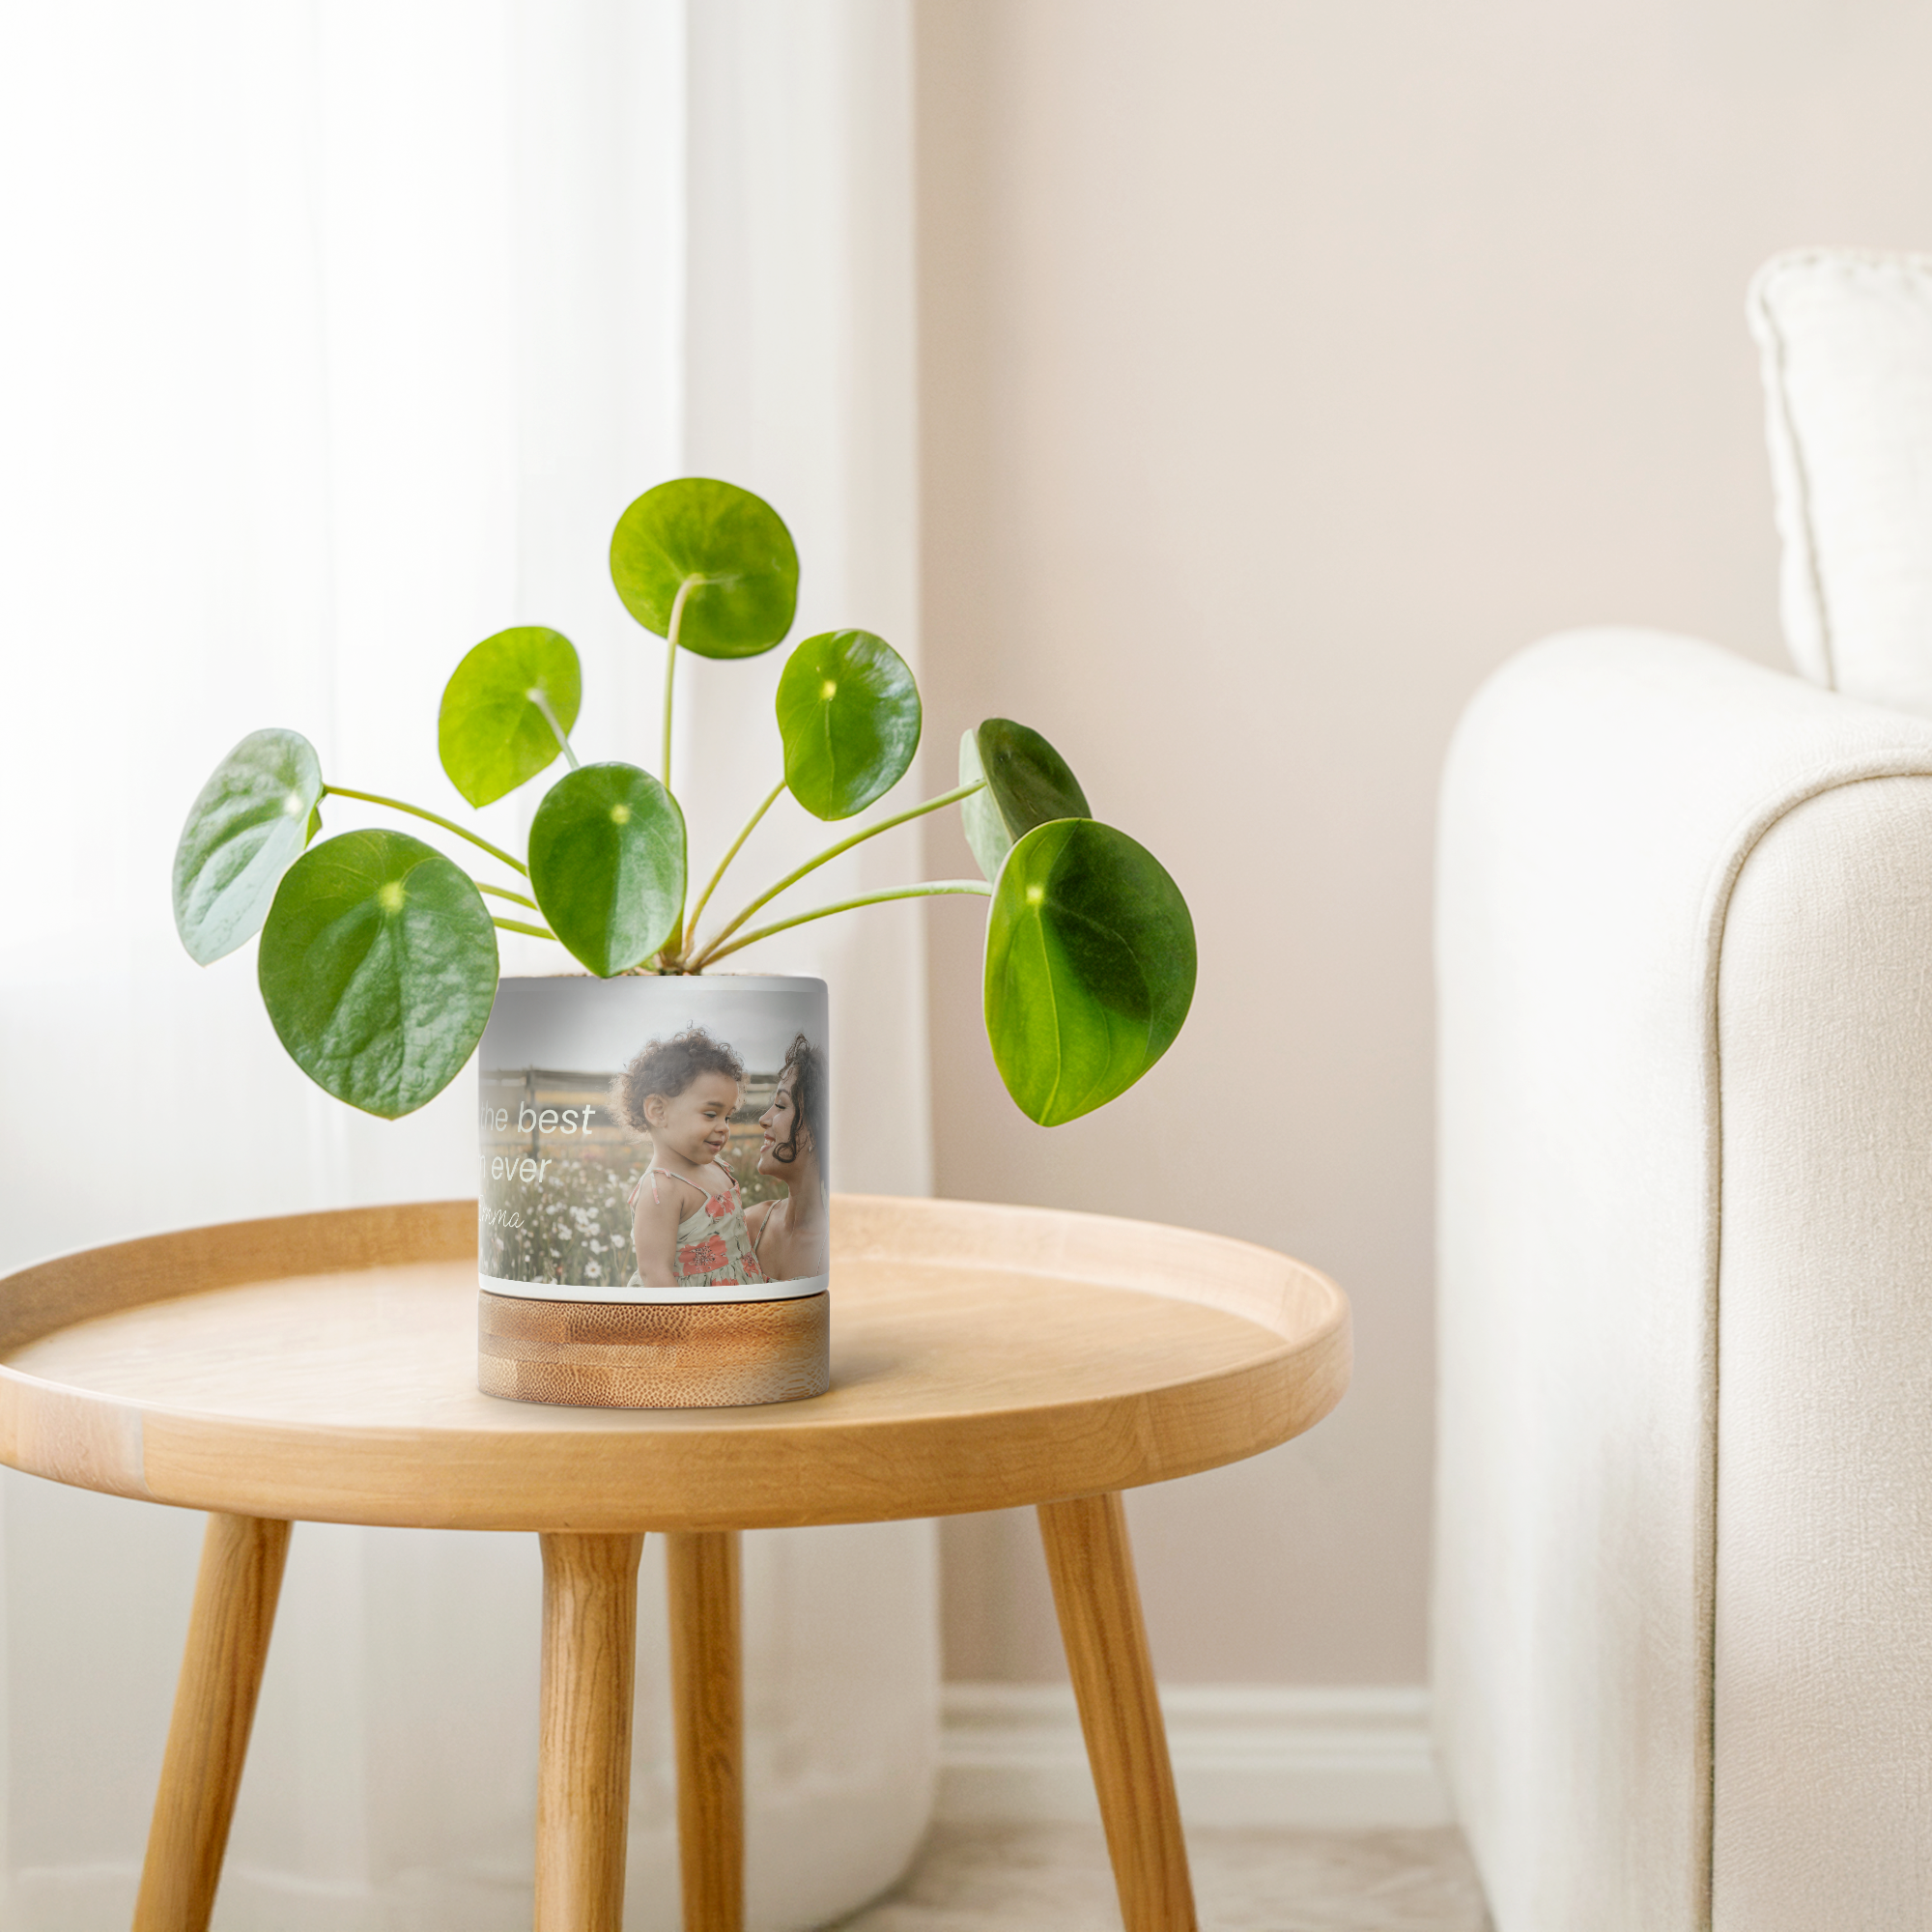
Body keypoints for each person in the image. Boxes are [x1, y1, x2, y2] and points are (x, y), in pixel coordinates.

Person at [611, 1029, 767, 1292]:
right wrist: (682, 1329)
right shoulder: (661, 1190)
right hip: (693, 1310)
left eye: (727, 1116)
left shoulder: (716, 1167)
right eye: (710, 1114)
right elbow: (654, 1273)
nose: (724, 1127)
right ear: (658, 1111)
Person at [743, 1032, 830, 1284]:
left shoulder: (840, 1248)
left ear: (816, 1130)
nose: (763, 1119)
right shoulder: (748, 1226)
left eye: (781, 1105)